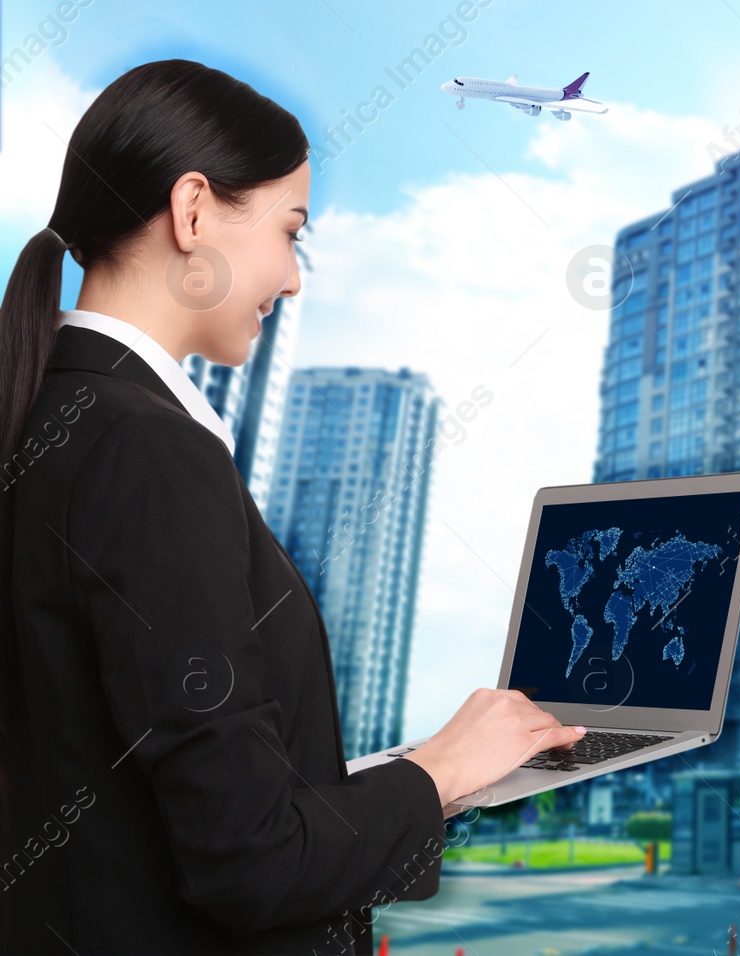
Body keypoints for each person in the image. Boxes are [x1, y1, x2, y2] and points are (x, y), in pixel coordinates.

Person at [0, 59, 585, 955]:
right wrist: (434, 771)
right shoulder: (149, 452)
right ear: (192, 212)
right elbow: (249, 864)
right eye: (289, 231)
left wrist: (434, 783)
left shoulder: (47, 422)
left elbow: (136, 804)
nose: (296, 278)